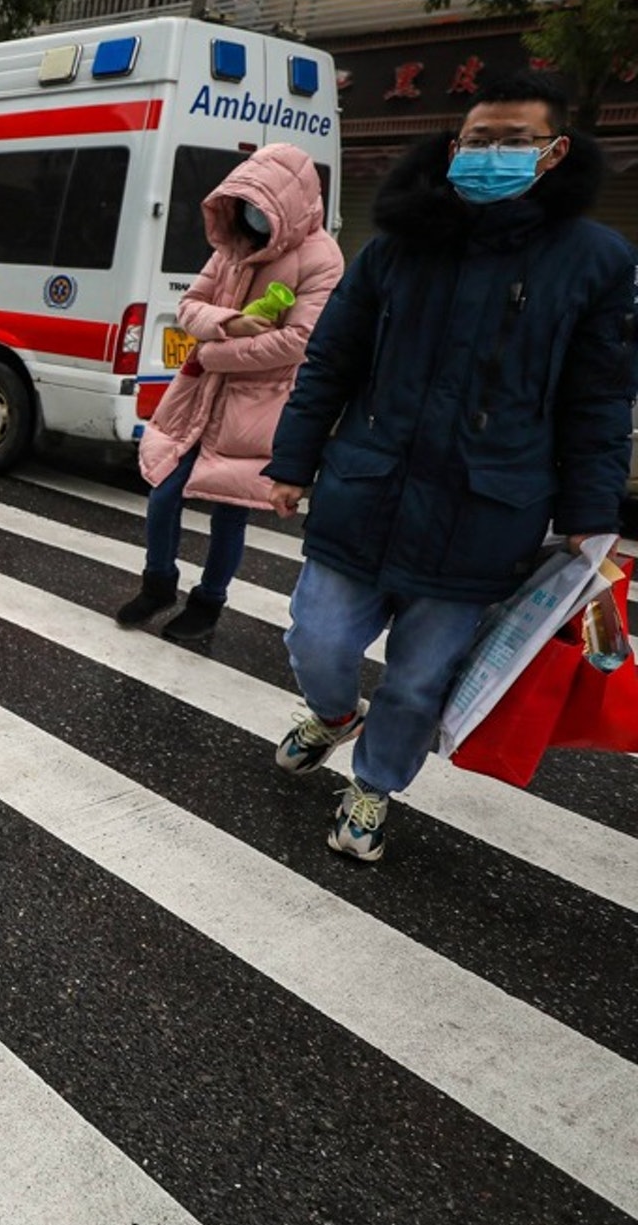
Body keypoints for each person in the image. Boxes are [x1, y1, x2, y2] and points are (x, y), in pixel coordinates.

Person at [263, 71, 638, 862]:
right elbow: (332, 357)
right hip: (367, 485)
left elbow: (600, 398)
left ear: (555, 151)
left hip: (485, 509)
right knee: (316, 640)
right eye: (476, 140)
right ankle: (332, 714)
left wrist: (589, 512)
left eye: (514, 141)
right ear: (452, 144)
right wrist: (292, 460)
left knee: (415, 681)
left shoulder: (595, 262)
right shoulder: (399, 243)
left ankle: (374, 786)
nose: (489, 155)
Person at [116, 144, 343, 641]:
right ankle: (158, 582)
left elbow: (300, 342)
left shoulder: (321, 258)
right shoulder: (233, 244)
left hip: (258, 406)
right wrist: (231, 323)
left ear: (292, 201)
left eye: (261, 205)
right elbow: (191, 306)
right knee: (164, 491)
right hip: (200, 395)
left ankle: (209, 603)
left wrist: (214, 353)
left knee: (230, 512)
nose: (251, 214)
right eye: (243, 202)